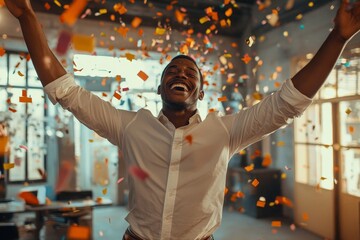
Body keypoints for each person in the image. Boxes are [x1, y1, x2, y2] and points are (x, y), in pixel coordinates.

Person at [4, 0, 360, 239]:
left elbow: (287, 103)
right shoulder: (130, 126)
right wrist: (27, 17)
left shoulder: (225, 132)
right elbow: (65, 91)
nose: (181, 73)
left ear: (201, 93)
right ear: (159, 87)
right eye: (173, 70)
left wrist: (338, 36)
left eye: (191, 73)